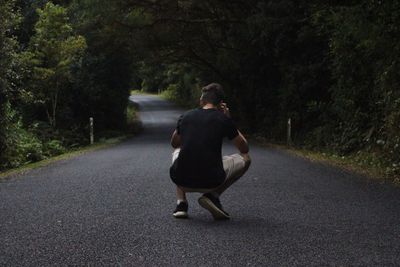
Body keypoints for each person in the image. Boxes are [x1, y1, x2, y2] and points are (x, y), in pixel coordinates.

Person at [169, 83, 251, 220]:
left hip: (182, 180)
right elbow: (244, 148)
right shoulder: (223, 119)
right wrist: (228, 120)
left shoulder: (186, 116)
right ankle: (213, 195)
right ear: (220, 104)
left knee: (179, 150)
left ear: (202, 100)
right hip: (212, 181)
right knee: (246, 158)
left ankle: (181, 204)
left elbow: (174, 143)